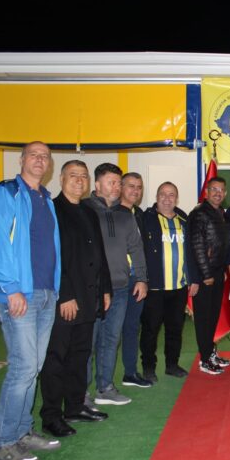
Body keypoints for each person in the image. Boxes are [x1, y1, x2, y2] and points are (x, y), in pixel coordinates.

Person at [0, 142, 62, 460]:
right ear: (21, 160)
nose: (40, 160)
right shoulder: (6, 193)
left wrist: (55, 289)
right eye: (34, 154)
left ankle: (22, 432)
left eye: (45, 156)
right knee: (22, 368)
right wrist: (10, 288)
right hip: (20, 295)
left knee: (34, 368)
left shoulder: (46, 198)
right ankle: (3, 445)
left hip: (45, 294)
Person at [40, 161, 111, 439]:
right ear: (60, 178)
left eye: (83, 176)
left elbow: (100, 253)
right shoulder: (52, 210)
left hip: (89, 296)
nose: (79, 180)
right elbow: (52, 257)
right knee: (57, 358)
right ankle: (51, 416)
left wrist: (105, 289)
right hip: (66, 298)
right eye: (73, 176)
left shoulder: (88, 211)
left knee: (81, 356)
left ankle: (74, 406)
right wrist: (65, 295)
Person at [84, 163, 148, 407]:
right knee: (88, 343)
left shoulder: (125, 215)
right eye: (112, 182)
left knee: (111, 340)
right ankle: (82, 394)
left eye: (118, 183)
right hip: (92, 290)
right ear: (97, 184)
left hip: (120, 288)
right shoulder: (84, 210)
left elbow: (136, 248)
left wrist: (141, 278)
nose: (117, 187)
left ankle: (105, 388)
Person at [139, 182, 193, 381]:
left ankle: (172, 365)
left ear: (176, 199)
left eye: (171, 195)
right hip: (154, 287)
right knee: (150, 330)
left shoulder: (184, 220)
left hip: (179, 287)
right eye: (163, 194)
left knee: (175, 329)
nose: (167, 198)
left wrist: (192, 279)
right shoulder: (146, 219)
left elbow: (191, 252)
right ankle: (148, 367)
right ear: (156, 197)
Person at [188, 176, 230, 375]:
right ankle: (205, 359)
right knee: (204, 320)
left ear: (225, 193)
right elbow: (197, 245)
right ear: (206, 192)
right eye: (214, 189)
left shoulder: (221, 213)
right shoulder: (199, 213)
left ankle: (211, 352)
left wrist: (222, 270)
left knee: (213, 317)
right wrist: (206, 274)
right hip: (205, 275)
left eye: (221, 190)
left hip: (217, 272)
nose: (217, 193)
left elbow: (221, 245)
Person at [118, 172, 152, 388]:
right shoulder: (111, 212)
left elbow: (142, 249)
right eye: (131, 186)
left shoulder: (139, 214)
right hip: (116, 281)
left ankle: (130, 373)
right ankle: (101, 383)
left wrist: (143, 278)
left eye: (139, 187)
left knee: (131, 328)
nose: (135, 191)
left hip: (136, 280)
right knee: (109, 334)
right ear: (121, 187)